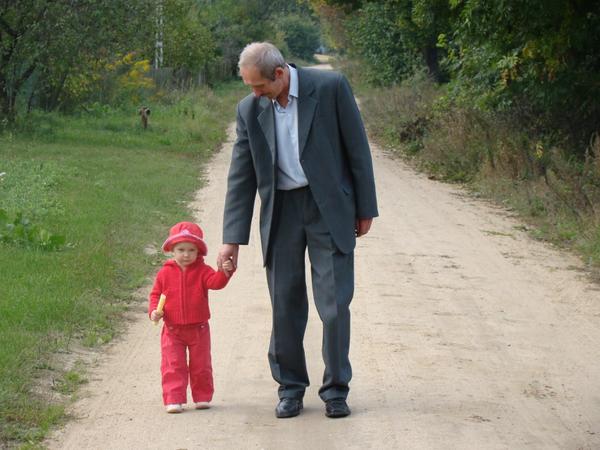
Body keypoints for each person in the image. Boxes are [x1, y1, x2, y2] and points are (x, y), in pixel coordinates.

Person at [218, 42, 378, 419]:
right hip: (283, 212)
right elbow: (241, 177)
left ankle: (336, 389)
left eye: (258, 86)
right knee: (285, 305)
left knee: (335, 305)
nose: (253, 94)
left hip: (329, 210)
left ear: (279, 74)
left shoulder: (330, 88)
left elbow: (357, 148)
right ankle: (290, 387)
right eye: (248, 86)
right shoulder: (249, 109)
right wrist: (232, 239)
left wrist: (365, 208)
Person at [149, 221, 234, 413]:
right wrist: (154, 311)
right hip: (172, 330)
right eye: (181, 249)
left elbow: (216, 283)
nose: (186, 254)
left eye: (191, 250)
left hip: (199, 329)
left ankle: (202, 397)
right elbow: (155, 295)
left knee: (201, 365)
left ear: (198, 252)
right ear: (172, 249)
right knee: (173, 365)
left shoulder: (203, 271)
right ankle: (173, 399)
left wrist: (225, 271)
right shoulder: (164, 273)